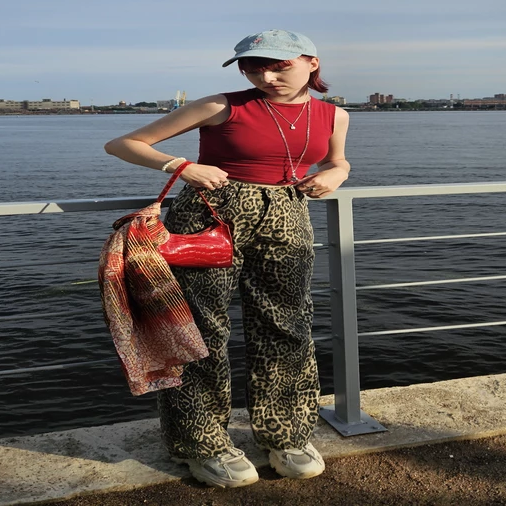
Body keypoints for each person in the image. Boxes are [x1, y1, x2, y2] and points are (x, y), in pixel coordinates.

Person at [104, 29, 350, 488]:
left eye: (279, 65)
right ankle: (202, 442)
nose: (266, 75)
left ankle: (286, 433)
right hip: (209, 218)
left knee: (287, 325)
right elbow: (123, 144)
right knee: (199, 330)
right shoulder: (222, 105)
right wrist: (181, 166)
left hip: (287, 218)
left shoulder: (334, 115)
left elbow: (336, 160)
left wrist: (336, 174)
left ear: (311, 63)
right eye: (254, 67)